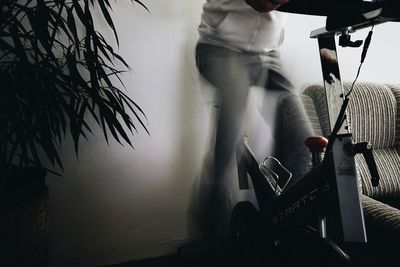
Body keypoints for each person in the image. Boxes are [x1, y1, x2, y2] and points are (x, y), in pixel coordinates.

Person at [193, 0, 294, 242]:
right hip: (220, 48)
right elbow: (263, 3)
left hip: (267, 53)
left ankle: (293, 220)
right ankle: (211, 226)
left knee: (299, 129)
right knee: (232, 125)